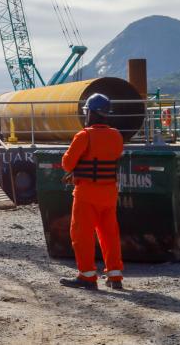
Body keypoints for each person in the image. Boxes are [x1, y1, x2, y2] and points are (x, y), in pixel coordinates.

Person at [59, 93, 125, 290]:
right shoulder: (116, 135)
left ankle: (87, 276)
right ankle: (115, 276)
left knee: (82, 235)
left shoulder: (84, 136)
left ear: (90, 114)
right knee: (109, 234)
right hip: (109, 194)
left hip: (86, 194)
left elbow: (67, 164)